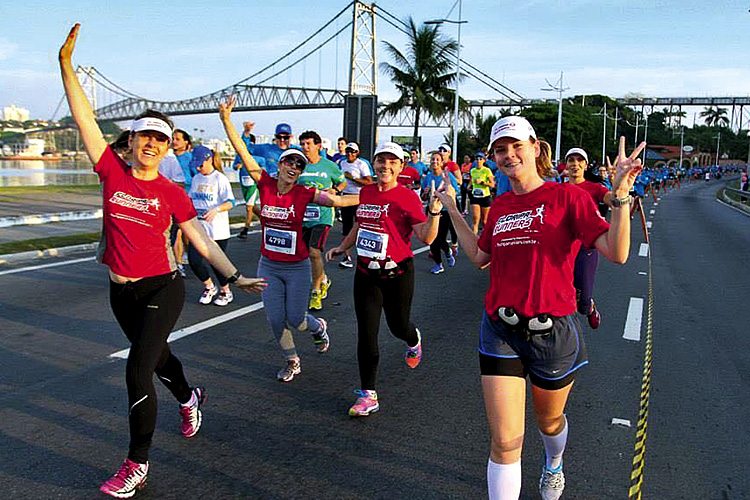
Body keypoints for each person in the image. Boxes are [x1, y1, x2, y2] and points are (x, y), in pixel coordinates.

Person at [59, 24, 266, 499]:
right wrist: (67, 67)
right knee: (159, 359)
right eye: (143, 136)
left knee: (136, 369)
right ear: (129, 144)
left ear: (166, 146)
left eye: (159, 138)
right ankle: (190, 396)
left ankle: (137, 463)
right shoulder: (111, 171)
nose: (150, 143)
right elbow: (85, 119)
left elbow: (198, 239)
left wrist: (234, 275)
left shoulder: (171, 192)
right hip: (121, 290)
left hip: (161, 287)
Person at [434, 115, 644, 500]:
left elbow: (617, 252)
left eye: (517, 145)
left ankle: (554, 462)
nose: (509, 154)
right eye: (501, 149)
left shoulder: (569, 197)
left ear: (535, 148)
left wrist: (621, 196)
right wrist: (450, 207)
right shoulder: (499, 207)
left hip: (553, 332)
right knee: (505, 441)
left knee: (548, 421)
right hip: (500, 330)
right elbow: (480, 257)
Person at [219, 95, 361, 382]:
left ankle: (318, 327)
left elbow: (336, 201)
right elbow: (242, 152)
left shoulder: (304, 192)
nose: (294, 167)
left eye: (299, 165)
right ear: (281, 165)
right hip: (268, 265)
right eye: (290, 162)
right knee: (274, 318)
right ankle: (292, 360)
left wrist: (379, 197)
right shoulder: (266, 183)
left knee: (297, 320)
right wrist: (226, 120)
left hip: (296, 268)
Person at [325, 142, 442, 417]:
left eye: (392, 162)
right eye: (380, 160)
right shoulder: (366, 192)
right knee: (366, 334)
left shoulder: (406, 197)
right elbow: (359, 224)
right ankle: (368, 394)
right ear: (374, 164)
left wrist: (435, 212)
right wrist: (343, 247)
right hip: (366, 274)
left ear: (400, 167)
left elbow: (426, 237)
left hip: (398, 274)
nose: (385, 166)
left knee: (398, 326)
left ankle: (413, 339)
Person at [565, 147, 616, 329]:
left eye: (580, 161)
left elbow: (612, 199)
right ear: (566, 165)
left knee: (583, 300)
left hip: (586, 248)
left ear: (586, 165)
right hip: (561, 249)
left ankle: (590, 307)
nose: (575, 164)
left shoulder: (594, 188)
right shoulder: (558, 189)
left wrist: (619, 190)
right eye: (571, 160)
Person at [297, 130, 347, 310]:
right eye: (302, 144)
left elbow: (342, 182)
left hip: (323, 216)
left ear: (318, 146)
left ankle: (316, 292)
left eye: (308, 144)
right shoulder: (299, 165)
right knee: (305, 255)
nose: (305, 148)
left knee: (314, 252)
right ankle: (323, 278)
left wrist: (335, 190)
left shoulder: (329, 166)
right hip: (303, 217)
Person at [188, 146, 237, 306]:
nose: (198, 167)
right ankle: (209, 286)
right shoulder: (196, 179)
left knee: (217, 264)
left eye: (201, 164)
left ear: (209, 160)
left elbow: (231, 202)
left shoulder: (220, 179)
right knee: (194, 261)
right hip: (199, 229)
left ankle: (226, 291)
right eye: (196, 164)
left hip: (217, 230)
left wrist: (216, 209)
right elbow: (190, 199)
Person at [422, 151, 460, 274]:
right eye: (433, 159)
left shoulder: (447, 176)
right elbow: (423, 197)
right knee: (431, 239)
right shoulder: (428, 177)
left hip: (444, 211)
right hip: (431, 210)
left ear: (442, 162)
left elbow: (456, 192)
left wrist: (445, 192)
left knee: (440, 238)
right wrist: (426, 193)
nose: (434, 162)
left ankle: (448, 252)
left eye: (437, 159)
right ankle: (438, 264)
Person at [337, 141, 374, 268]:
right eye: (348, 151)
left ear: (357, 153)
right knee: (347, 227)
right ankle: (347, 256)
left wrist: (353, 178)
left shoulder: (361, 164)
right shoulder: (342, 163)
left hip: (359, 198)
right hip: (346, 197)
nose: (349, 154)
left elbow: (369, 182)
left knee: (362, 226)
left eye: (352, 151)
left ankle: (367, 255)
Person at [232, 123, 263, 240]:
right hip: (243, 182)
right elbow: (234, 166)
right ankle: (265, 220)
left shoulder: (258, 156)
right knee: (252, 206)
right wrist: (238, 165)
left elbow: (264, 169)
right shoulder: (239, 155)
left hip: (253, 184)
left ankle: (245, 229)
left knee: (249, 208)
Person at [469, 152, 495, 234]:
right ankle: (474, 242)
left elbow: (492, 184)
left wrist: (482, 182)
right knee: (475, 220)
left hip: (485, 197)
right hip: (475, 196)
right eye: (477, 159)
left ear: (484, 160)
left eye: (480, 159)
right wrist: (469, 186)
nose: (478, 161)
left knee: (484, 221)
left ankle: (487, 239)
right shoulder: (473, 171)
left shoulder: (487, 170)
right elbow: (472, 181)